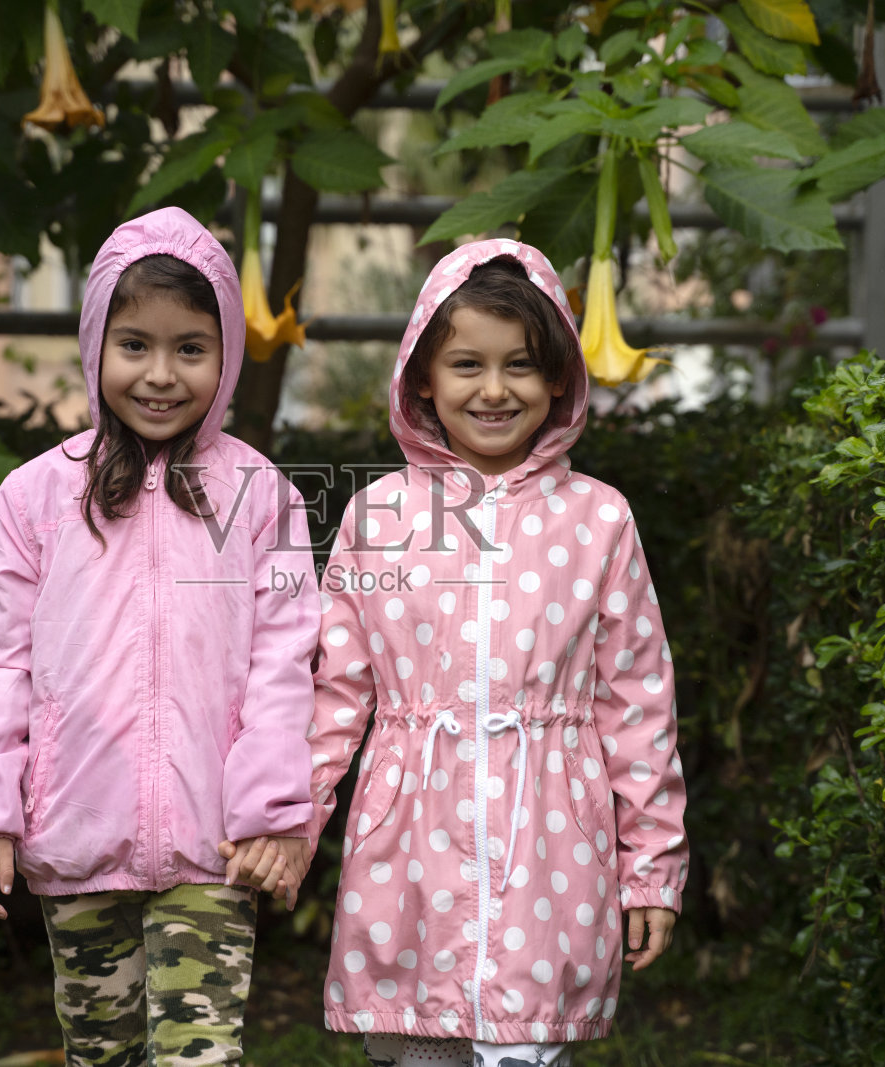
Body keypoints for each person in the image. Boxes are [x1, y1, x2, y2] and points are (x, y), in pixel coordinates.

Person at [241, 242, 688, 1066]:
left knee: (525, 1045)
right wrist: (291, 824)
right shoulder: (377, 518)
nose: (493, 389)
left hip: (551, 857)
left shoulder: (599, 520)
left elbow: (638, 704)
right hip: (408, 856)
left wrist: (652, 867)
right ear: (421, 378)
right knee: (416, 1048)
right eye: (467, 365)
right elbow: (335, 696)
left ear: (558, 376)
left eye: (520, 364)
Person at [0, 207, 318, 1067]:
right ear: (94, 345)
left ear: (225, 359)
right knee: (100, 1053)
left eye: (190, 348)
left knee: (199, 1057)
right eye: (135, 345)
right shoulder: (36, 496)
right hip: (75, 833)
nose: (160, 375)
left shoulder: (262, 495)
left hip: (215, 847)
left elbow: (284, 662)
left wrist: (270, 813)